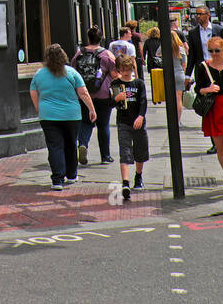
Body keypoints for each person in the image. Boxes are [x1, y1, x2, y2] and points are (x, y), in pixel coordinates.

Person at [30, 43, 96, 190]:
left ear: (47, 58)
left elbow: (33, 92)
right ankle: (72, 175)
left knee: (54, 146)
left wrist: (38, 108)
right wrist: (91, 109)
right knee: (71, 144)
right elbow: (83, 92)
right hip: (71, 115)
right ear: (63, 56)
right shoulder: (71, 72)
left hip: (48, 116)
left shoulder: (39, 74)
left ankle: (57, 180)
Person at [193, 34, 223, 196]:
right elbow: (197, 89)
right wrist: (207, 89)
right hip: (213, 109)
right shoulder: (203, 67)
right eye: (211, 50)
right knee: (220, 147)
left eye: (217, 50)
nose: (213, 53)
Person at [186, 6, 223, 154]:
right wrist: (188, 75)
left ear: (207, 15)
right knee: (209, 107)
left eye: (200, 14)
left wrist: (222, 58)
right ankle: (215, 142)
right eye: (196, 14)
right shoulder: (193, 33)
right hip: (204, 72)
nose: (197, 17)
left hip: (219, 70)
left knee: (222, 103)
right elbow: (192, 56)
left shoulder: (219, 30)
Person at [71, 27, 116, 165]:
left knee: (86, 122)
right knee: (103, 125)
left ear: (88, 38)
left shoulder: (79, 53)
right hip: (103, 95)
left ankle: (83, 144)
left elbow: (73, 72)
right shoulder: (107, 54)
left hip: (84, 95)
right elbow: (115, 75)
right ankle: (105, 156)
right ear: (100, 38)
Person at [108, 53, 149, 201]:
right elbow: (110, 104)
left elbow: (143, 101)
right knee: (124, 151)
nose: (126, 72)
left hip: (138, 122)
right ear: (119, 69)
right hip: (123, 122)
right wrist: (116, 99)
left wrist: (141, 116)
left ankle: (138, 176)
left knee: (140, 151)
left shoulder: (138, 83)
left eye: (129, 69)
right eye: (123, 70)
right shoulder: (115, 84)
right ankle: (125, 183)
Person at [170, 30, 187, 122]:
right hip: (179, 73)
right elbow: (184, 64)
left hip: (169, 74)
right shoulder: (180, 48)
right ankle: (178, 119)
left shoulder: (165, 47)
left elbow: (157, 53)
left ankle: (171, 118)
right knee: (178, 98)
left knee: (170, 97)